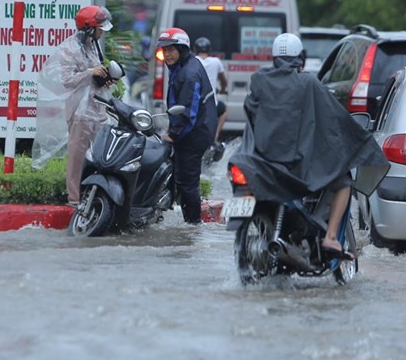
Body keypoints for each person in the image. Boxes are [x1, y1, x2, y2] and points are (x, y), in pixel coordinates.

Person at [230, 33, 388, 255]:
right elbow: (335, 119)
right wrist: (360, 139)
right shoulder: (308, 82)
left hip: (258, 161)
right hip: (296, 166)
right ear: (300, 58)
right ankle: (331, 237)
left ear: (274, 57)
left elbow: (251, 114)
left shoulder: (258, 80)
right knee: (343, 181)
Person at [32, 6, 114, 206]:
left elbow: (94, 73)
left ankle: (94, 194)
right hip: (79, 111)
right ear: (88, 28)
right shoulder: (70, 49)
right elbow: (67, 80)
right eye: (99, 28)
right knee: (77, 156)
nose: (102, 32)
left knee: (98, 155)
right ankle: (74, 198)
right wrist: (90, 73)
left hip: (97, 108)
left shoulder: (93, 45)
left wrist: (103, 78)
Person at [157, 27, 217, 224]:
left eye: (171, 50)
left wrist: (173, 134)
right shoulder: (182, 67)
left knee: (187, 182)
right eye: (164, 50)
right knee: (176, 176)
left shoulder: (189, 73)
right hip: (194, 130)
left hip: (194, 133)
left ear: (182, 49)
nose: (167, 54)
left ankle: (192, 226)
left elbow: (187, 111)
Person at [194, 36, 229, 155]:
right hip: (211, 105)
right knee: (224, 110)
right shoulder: (216, 61)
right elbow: (224, 81)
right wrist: (223, 89)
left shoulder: (193, 61)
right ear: (210, 50)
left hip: (195, 104)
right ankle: (215, 137)